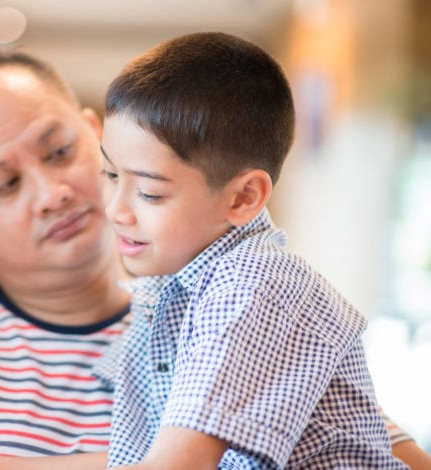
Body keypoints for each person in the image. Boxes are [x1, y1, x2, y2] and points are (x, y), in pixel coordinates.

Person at [0, 49, 430, 470]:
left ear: (102, 140)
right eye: (5, 185)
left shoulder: (219, 315)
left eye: (60, 151)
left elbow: (381, 455)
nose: (53, 192)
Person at [98, 31, 409, 468]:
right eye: (110, 174)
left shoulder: (254, 282)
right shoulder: (169, 287)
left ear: (243, 198)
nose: (115, 210)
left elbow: (180, 464)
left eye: (149, 193)